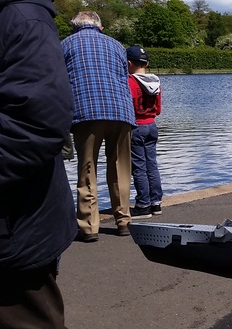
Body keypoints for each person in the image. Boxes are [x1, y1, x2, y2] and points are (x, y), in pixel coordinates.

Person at [0, 0, 97, 329]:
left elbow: (37, 124)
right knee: (31, 315)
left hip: (14, 216)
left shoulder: (22, 18)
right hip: (110, 120)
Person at [63, 11, 136, 242]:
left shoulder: (65, 44)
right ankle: (124, 221)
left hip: (86, 112)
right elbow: (124, 74)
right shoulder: (116, 45)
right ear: (100, 26)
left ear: (75, 27)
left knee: (87, 169)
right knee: (120, 169)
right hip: (121, 110)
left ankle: (88, 227)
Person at [126, 46, 164, 219]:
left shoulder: (129, 82)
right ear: (147, 63)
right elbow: (158, 110)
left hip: (137, 126)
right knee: (152, 165)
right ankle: (156, 203)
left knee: (139, 167)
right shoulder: (155, 82)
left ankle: (143, 205)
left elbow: (128, 106)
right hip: (152, 125)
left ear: (128, 63)